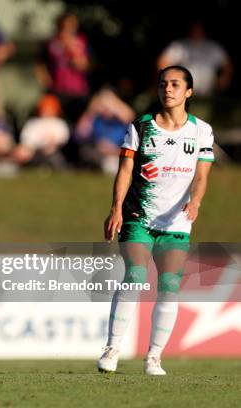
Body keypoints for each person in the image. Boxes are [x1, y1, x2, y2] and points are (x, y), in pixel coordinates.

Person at [98, 66, 215, 376]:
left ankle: (154, 357)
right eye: (164, 84)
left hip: (176, 221)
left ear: (188, 92)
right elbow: (124, 171)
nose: (168, 89)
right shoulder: (141, 126)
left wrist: (197, 201)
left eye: (176, 84)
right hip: (139, 216)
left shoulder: (201, 131)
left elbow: (202, 175)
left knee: (169, 286)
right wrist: (116, 208)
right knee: (135, 275)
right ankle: (112, 349)